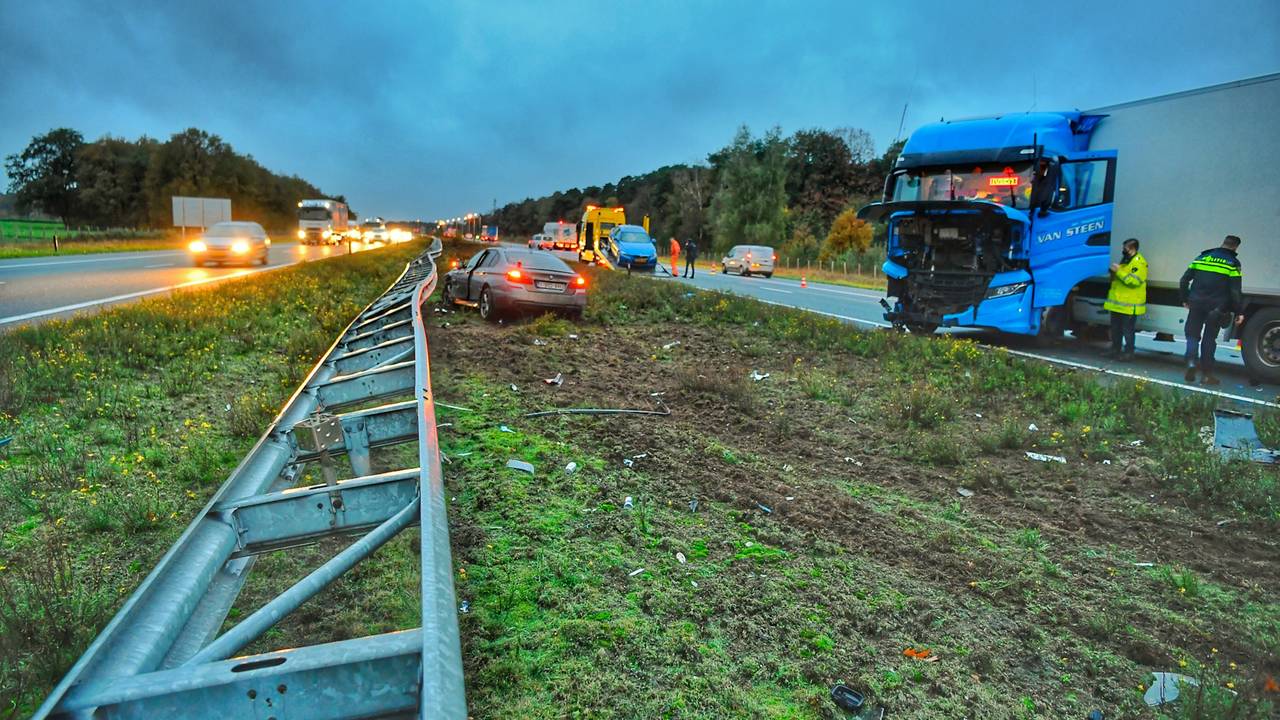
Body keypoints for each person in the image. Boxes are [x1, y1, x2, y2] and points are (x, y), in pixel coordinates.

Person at [1179, 235, 1244, 386]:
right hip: (1216, 307)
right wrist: (1239, 311)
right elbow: (1235, 290)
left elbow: (1184, 280)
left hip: (1196, 303)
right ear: (1235, 247)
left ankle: (1190, 362)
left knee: (1192, 334)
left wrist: (1185, 299)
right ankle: (1207, 376)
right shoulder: (1232, 263)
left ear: (1223, 243)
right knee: (1209, 339)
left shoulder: (1202, 257)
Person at [1102, 238, 1147, 361]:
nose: (1123, 250)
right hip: (1118, 303)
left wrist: (1119, 271)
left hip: (1129, 305)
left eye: (1125, 248)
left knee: (1128, 330)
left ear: (1132, 248)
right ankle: (1115, 349)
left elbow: (1133, 281)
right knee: (1116, 329)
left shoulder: (1139, 263)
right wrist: (1113, 272)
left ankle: (1129, 353)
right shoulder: (1126, 260)